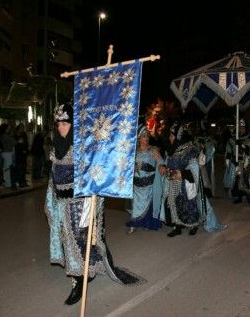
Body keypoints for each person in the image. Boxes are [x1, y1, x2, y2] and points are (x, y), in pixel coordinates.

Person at [44, 103, 144, 306]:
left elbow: (97, 173)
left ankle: (79, 282)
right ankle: (83, 274)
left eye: (65, 123)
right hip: (63, 204)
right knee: (68, 243)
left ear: (73, 124)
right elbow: (53, 176)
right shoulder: (56, 147)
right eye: (59, 123)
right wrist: (52, 198)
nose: (62, 127)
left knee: (80, 241)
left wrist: (92, 199)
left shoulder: (83, 146)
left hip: (81, 203)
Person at [160, 121, 227, 237]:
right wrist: (166, 168)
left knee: (189, 204)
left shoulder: (190, 150)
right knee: (174, 204)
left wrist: (182, 174)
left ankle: (193, 225)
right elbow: (168, 163)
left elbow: (195, 168)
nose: (170, 137)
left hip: (186, 184)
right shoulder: (171, 149)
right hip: (172, 182)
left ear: (178, 136)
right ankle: (178, 226)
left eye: (171, 135)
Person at [125, 125, 164, 234]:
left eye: (147, 136)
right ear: (138, 138)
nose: (146, 138)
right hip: (136, 182)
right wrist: (132, 167)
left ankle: (147, 222)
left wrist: (161, 166)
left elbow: (160, 161)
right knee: (136, 204)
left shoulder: (153, 150)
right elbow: (126, 165)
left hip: (149, 183)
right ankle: (134, 223)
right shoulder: (133, 151)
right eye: (143, 136)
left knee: (148, 202)